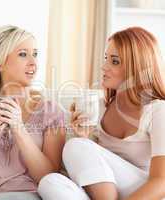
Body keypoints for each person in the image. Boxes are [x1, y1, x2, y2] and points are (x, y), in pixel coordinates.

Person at [38, 27, 165, 200]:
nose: (104, 67)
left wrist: (81, 144)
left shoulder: (157, 111)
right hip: (109, 194)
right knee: (49, 182)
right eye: (106, 58)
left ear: (137, 67)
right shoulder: (99, 107)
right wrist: (84, 136)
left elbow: (161, 181)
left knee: (75, 145)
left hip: (145, 193)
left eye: (114, 61)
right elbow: (96, 169)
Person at [0, 25, 66, 200]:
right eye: (23, 54)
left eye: (35, 54)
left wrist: (18, 128)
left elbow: (49, 177)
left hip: (35, 195)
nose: (34, 62)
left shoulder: (50, 111)